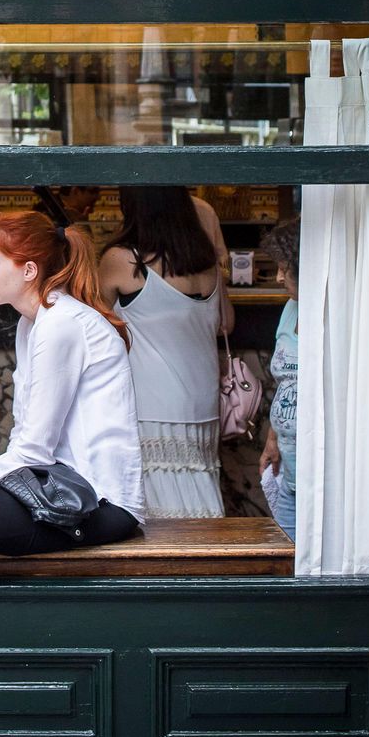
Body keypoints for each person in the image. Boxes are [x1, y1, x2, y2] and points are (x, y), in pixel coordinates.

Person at [0, 210, 144, 556]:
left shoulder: (61, 323)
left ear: (28, 270)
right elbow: (28, 439)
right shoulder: (34, 323)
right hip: (57, 487)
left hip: (96, 503)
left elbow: (33, 448)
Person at [99, 186, 234, 520]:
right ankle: (206, 561)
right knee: (198, 486)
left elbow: (92, 326)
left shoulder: (124, 260)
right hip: (201, 397)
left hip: (151, 398)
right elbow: (226, 322)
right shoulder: (206, 264)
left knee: (157, 500)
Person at [258, 218, 299, 540]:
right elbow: (286, 382)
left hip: (325, 480)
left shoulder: (340, 313)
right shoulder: (290, 309)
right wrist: (273, 438)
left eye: (286, 267)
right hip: (288, 471)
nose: (279, 276)